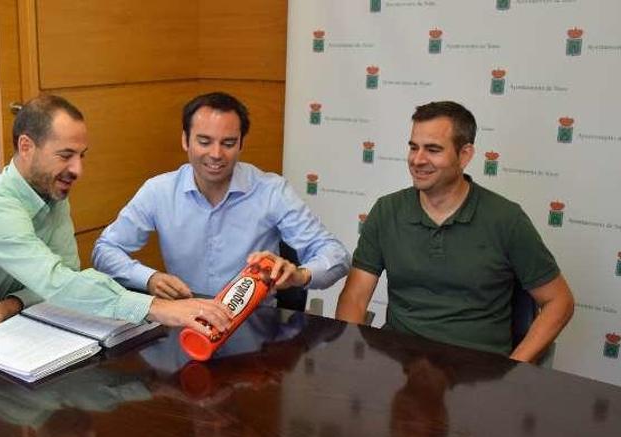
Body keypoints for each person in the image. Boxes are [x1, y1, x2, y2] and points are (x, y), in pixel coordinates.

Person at [0, 95, 232, 338]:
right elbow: (57, 283)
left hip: (11, 328)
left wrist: (11, 303)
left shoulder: (51, 193)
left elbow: (67, 273)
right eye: (65, 155)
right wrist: (159, 308)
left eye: (81, 156)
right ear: (26, 146)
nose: (77, 170)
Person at [335, 101, 574, 362]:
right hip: (399, 367)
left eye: (433, 149)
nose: (418, 159)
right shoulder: (386, 211)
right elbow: (355, 298)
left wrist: (514, 369)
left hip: (477, 375)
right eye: (413, 147)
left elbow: (559, 301)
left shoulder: (506, 219)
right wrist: (349, 358)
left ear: (465, 155)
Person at [91, 92, 350, 302]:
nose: (216, 154)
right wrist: (149, 278)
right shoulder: (159, 191)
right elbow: (105, 251)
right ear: (185, 140)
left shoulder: (272, 190)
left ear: (241, 144)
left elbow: (336, 255)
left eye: (227, 143)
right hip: (186, 317)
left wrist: (301, 275)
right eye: (204, 141)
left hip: (256, 326)